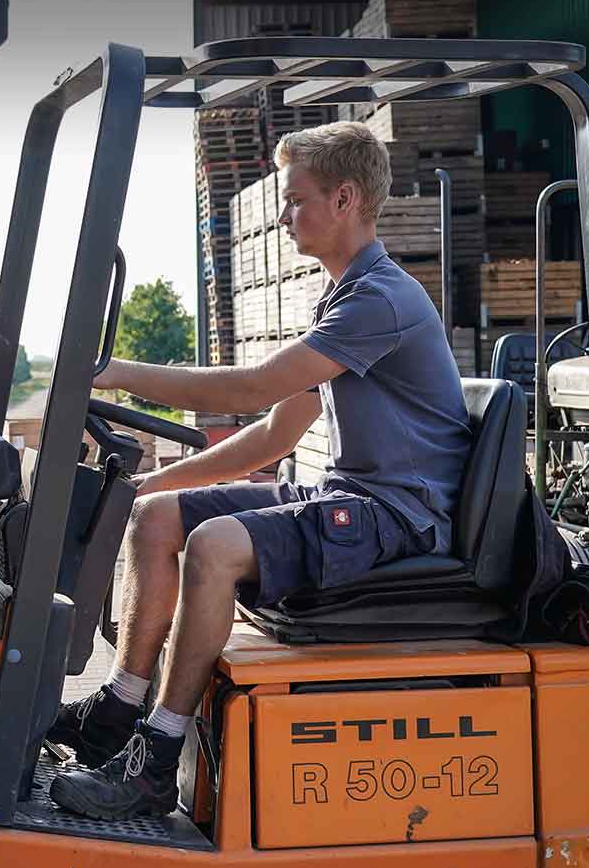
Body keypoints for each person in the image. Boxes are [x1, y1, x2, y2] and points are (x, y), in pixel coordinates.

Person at [45, 120, 473, 821]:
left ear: (344, 199)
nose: (283, 216)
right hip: (351, 497)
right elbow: (273, 435)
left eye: (295, 200)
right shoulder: (341, 297)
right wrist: (148, 488)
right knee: (158, 522)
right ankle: (117, 713)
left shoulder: (380, 300)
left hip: (399, 516)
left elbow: (250, 390)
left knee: (213, 550)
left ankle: (155, 761)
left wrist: (109, 372)